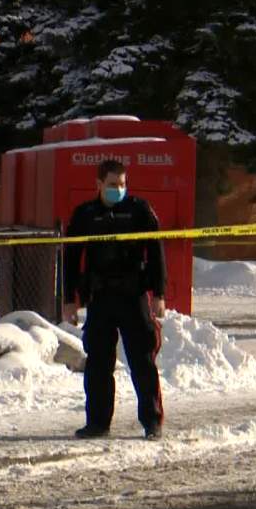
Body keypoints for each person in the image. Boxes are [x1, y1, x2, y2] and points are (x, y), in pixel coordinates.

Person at [63, 159, 167, 440]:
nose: (117, 189)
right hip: (101, 298)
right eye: (111, 185)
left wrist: (159, 294)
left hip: (133, 296)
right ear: (98, 185)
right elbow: (71, 259)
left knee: (143, 360)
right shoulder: (85, 214)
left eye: (122, 184)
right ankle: (98, 423)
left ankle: (152, 422)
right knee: (98, 363)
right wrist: (69, 300)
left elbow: (156, 253)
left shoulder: (139, 210)